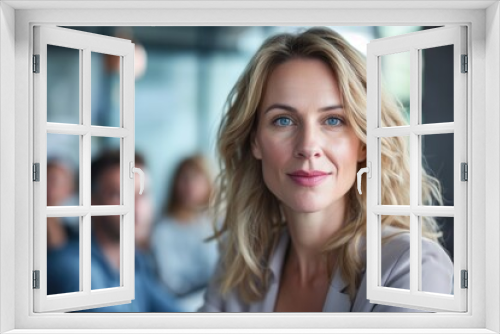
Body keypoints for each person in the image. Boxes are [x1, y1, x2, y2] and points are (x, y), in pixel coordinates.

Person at [199, 27, 453, 312]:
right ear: (255, 140)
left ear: (365, 143)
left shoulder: (411, 267)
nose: (308, 146)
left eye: (333, 120)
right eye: (283, 120)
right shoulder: (239, 264)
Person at [47, 150, 181, 312]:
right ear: (91, 203)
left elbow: (178, 315)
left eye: (143, 194)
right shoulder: (75, 270)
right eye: (118, 195)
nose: (136, 208)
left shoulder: (134, 260)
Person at [151, 155, 219, 311]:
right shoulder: (163, 230)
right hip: (183, 302)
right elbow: (171, 281)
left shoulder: (215, 223)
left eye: (197, 178)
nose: (190, 185)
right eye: (185, 179)